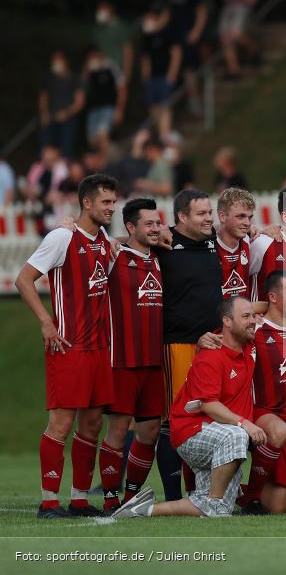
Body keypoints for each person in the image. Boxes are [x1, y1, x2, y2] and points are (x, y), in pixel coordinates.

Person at [15, 174, 118, 518]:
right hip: (68, 346)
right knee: (61, 424)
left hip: (101, 349)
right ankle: (48, 501)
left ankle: (78, 499)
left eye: (114, 202)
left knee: (91, 425)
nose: (111, 208)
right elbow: (24, 279)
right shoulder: (62, 236)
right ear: (86, 203)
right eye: (106, 202)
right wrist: (46, 322)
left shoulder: (104, 239)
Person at [113, 296, 265, 518]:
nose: (253, 320)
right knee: (237, 436)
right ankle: (213, 501)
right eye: (246, 316)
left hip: (219, 435)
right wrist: (246, 423)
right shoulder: (211, 355)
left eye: (253, 315)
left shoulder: (249, 345)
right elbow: (209, 404)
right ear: (227, 322)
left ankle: (141, 510)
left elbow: (279, 308)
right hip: (192, 432)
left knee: (220, 509)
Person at [154, 189, 223, 501]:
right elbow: (122, 243)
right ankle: (172, 497)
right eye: (201, 213)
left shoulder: (213, 241)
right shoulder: (162, 242)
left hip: (213, 345)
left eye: (209, 212)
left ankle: (197, 491)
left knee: (203, 419)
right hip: (178, 344)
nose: (209, 218)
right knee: (174, 419)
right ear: (181, 217)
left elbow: (248, 231)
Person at [99, 198, 165, 513]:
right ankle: (110, 496)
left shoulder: (163, 259)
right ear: (130, 227)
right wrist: (65, 222)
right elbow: (77, 239)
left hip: (155, 362)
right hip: (122, 360)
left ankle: (131, 496)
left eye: (158, 222)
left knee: (150, 431)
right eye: (149, 224)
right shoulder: (112, 256)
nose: (156, 228)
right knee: (118, 429)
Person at [237, 271, 286, 514]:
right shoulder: (253, 331)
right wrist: (208, 338)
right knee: (279, 430)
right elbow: (226, 326)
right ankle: (251, 498)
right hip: (262, 415)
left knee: (278, 507)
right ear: (273, 297)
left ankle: (235, 490)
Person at [165, 0, 207, 116]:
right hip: (174, 37)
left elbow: (202, 12)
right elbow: (167, 14)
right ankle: (186, 102)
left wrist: (196, 32)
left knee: (189, 70)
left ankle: (194, 101)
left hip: (188, 36)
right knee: (180, 70)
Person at [140, 2, 181, 137]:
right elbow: (145, 59)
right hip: (152, 78)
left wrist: (172, 74)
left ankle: (165, 134)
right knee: (153, 108)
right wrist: (145, 78)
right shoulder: (147, 37)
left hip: (165, 76)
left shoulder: (168, 33)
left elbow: (176, 54)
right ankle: (160, 134)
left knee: (165, 106)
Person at [82, 46, 126, 157]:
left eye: (93, 57)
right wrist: (87, 69)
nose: (91, 59)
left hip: (108, 108)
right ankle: (108, 156)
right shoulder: (90, 71)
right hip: (93, 109)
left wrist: (119, 109)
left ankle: (105, 166)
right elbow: (82, 86)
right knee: (92, 141)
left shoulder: (111, 67)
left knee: (103, 135)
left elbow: (122, 88)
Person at [39, 52, 84, 158]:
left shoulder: (74, 78)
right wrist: (44, 114)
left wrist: (67, 113)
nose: (56, 64)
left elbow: (80, 101)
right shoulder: (49, 79)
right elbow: (43, 97)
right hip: (51, 119)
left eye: (58, 61)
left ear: (65, 62)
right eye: (53, 62)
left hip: (68, 121)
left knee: (66, 150)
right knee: (46, 148)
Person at [219, 0, 264, 77]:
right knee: (224, 36)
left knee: (236, 34)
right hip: (229, 4)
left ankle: (254, 50)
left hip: (242, 4)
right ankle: (233, 69)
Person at [216, 187, 255, 298]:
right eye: (241, 216)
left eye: (249, 217)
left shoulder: (251, 242)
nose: (247, 223)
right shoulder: (207, 245)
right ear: (222, 217)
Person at [93, 0, 134, 84]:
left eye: (104, 9)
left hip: (117, 67)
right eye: (99, 9)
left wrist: (127, 72)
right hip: (102, 67)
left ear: (111, 10)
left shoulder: (120, 27)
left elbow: (128, 50)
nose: (101, 12)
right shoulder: (99, 28)